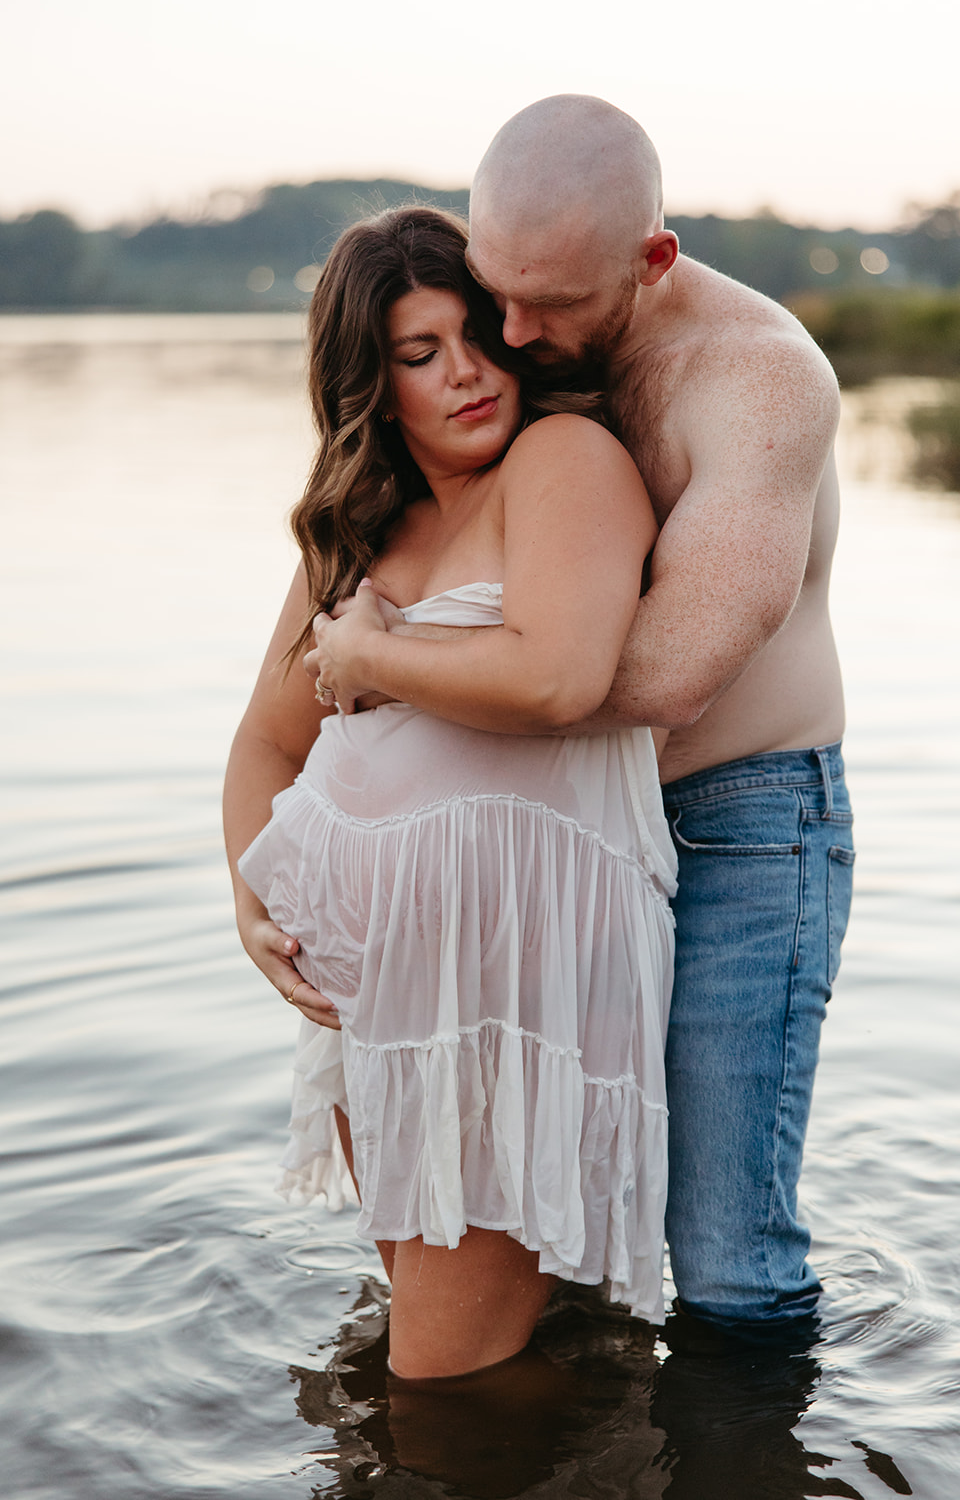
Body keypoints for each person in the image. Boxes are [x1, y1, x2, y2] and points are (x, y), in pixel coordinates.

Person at [308, 96, 855, 1346]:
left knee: (722, 1259)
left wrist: (395, 665)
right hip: (566, 836)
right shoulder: (524, 343)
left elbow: (659, 675)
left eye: (541, 305)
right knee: (560, 1219)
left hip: (738, 824)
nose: (509, 332)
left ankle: (745, 1455)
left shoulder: (757, 381)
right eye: (495, 288)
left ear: (650, 260)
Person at [222, 205, 677, 1381]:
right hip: (384, 1005)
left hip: (513, 1008)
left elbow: (557, 677)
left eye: (472, 335)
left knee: (433, 1380)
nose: (466, 373)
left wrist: (368, 659)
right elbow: (264, 748)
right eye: (419, 355)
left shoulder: (560, 461)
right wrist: (252, 909)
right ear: (369, 382)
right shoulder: (358, 529)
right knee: (469, 1348)